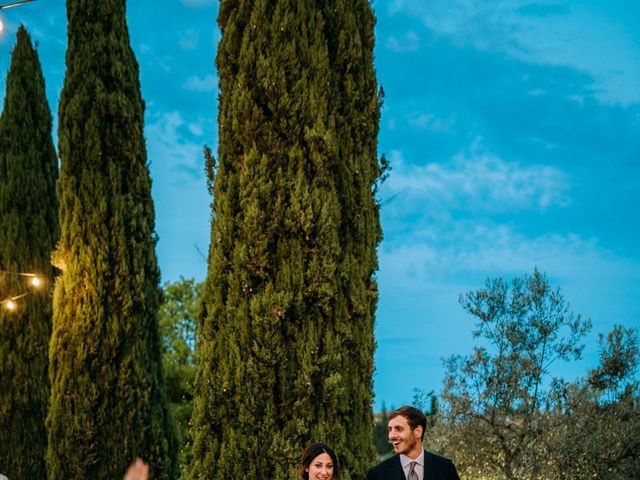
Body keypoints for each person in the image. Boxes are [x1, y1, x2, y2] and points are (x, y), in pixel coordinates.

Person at [366, 405, 459, 480]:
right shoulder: (377, 474)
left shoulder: (446, 469)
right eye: (390, 429)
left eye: (399, 429)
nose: (392, 436)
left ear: (418, 431)